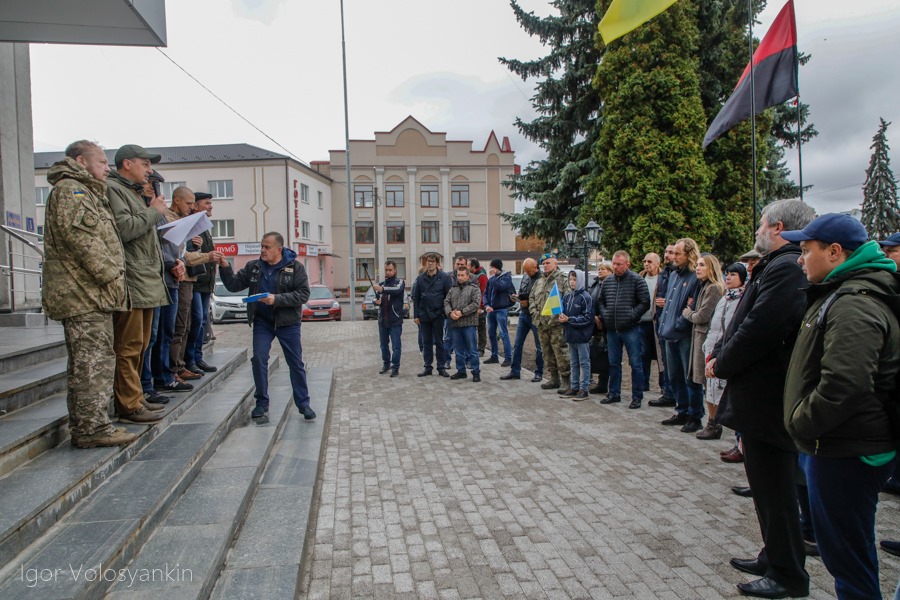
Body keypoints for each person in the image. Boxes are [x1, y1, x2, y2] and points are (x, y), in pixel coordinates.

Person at [781, 214, 899, 600]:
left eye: (806, 250)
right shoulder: (844, 291)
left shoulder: (855, 302)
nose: (800, 259)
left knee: (847, 556)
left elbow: (845, 385)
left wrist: (801, 422)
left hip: (846, 446)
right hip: (843, 442)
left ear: (834, 252)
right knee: (848, 550)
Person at [707, 199, 816, 599]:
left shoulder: (786, 268)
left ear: (778, 227)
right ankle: (774, 554)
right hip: (761, 395)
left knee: (776, 489)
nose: (756, 232)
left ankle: (788, 575)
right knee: (768, 487)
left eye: (760, 225)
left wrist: (722, 362)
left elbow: (760, 327)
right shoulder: (780, 264)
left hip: (769, 397)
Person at [41, 140, 135, 448]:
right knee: (91, 363)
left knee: (93, 361)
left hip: (90, 293)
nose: (107, 168)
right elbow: (83, 242)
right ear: (81, 161)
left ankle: (91, 424)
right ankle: (91, 430)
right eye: (101, 162)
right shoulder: (72, 191)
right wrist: (112, 276)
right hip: (82, 294)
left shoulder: (88, 192)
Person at [218, 232, 315, 422]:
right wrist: (225, 267)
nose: (262, 250)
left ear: (279, 249)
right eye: (261, 246)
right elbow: (233, 285)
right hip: (263, 322)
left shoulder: (295, 268)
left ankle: (303, 404)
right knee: (259, 359)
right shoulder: (254, 267)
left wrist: (276, 299)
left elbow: (303, 295)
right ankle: (261, 403)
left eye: (267, 247)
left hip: (288, 323)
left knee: (295, 363)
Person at [106, 144, 170, 425]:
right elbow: (125, 229)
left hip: (147, 281)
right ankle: (129, 405)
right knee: (129, 345)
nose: (149, 170)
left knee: (142, 344)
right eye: (145, 164)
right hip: (133, 281)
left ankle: (136, 397)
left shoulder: (132, 192)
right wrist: (155, 211)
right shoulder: (114, 189)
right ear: (127, 164)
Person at [657, 238, 702, 431]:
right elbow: (669, 303)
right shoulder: (674, 275)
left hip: (683, 334)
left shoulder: (695, 277)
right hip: (668, 332)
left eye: (678, 253)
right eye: (673, 253)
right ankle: (681, 410)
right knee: (674, 375)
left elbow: (691, 306)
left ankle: (695, 415)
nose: (673, 257)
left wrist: (677, 324)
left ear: (689, 254)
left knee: (689, 376)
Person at [698, 263, 746, 441]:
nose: (729, 278)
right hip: (712, 346)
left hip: (726, 349)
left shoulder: (742, 299)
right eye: (727, 274)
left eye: (733, 275)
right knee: (709, 387)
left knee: (724, 388)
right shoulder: (724, 298)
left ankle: (737, 436)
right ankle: (712, 422)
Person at [597, 251, 651, 409]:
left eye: (619, 264)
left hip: (631, 328)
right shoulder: (608, 282)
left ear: (627, 264)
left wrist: (632, 316)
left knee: (636, 363)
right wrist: (605, 314)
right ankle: (614, 393)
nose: (615, 267)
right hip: (612, 329)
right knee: (613, 363)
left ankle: (637, 396)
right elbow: (601, 301)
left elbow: (644, 302)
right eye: (614, 263)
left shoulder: (637, 280)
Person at [681, 254, 725, 435]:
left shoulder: (714, 288)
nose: (697, 268)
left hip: (706, 337)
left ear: (711, 268)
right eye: (697, 265)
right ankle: (700, 417)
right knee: (695, 378)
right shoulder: (704, 286)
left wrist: (688, 313)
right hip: (699, 336)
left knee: (703, 381)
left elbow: (702, 316)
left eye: (701, 265)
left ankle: (708, 421)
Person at [185, 192, 219, 374]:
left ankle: (197, 357)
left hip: (206, 282)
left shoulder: (204, 226)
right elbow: (183, 251)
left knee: (203, 319)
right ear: (195, 206)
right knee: (196, 320)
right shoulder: (189, 225)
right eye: (206, 203)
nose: (210, 206)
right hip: (195, 281)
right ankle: (190, 359)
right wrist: (193, 246)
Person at [529, 253, 571, 392]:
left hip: (557, 325)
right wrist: (534, 313)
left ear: (555, 263)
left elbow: (568, 298)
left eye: (548, 263)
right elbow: (532, 298)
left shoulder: (563, 279)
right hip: (541, 324)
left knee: (560, 352)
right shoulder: (539, 281)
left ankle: (566, 380)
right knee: (546, 353)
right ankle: (554, 379)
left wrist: (559, 316)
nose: (545, 265)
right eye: (544, 263)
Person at [501, 257, 544, 382]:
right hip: (524, 314)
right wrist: (518, 298)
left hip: (535, 315)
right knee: (518, 343)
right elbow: (524, 291)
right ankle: (515, 371)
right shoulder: (525, 277)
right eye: (525, 271)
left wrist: (528, 302)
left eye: (529, 271)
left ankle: (539, 372)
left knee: (539, 346)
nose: (527, 274)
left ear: (536, 268)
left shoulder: (542, 279)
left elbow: (540, 298)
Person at [411, 253, 452, 377]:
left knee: (439, 342)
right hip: (424, 314)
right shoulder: (420, 278)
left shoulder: (444, 278)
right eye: (428, 261)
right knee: (426, 342)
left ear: (437, 264)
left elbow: (449, 296)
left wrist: (446, 313)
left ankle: (441, 367)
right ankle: (428, 367)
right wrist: (416, 315)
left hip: (438, 314)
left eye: (432, 262)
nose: (430, 263)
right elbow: (416, 297)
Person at [649, 245, 677, 407]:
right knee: (665, 361)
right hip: (661, 321)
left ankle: (676, 396)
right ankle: (668, 393)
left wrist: (668, 303)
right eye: (666, 252)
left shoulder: (679, 274)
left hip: (674, 324)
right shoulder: (665, 273)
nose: (667, 255)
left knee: (674, 363)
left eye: (671, 253)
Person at [558, 269, 594, 401]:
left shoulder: (585, 297)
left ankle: (584, 388)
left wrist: (570, 320)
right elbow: (564, 313)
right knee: (573, 362)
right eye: (571, 279)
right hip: (570, 334)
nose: (572, 282)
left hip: (582, 335)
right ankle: (574, 386)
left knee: (584, 362)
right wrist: (562, 318)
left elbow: (587, 317)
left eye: (575, 279)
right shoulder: (567, 297)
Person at [444, 266, 481, 382]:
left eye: (462, 275)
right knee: (458, 350)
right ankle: (461, 371)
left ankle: (476, 372)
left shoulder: (474, 288)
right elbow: (446, 302)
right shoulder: (453, 289)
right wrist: (450, 313)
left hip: (469, 324)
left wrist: (462, 312)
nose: (460, 278)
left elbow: (475, 304)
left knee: (472, 350)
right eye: (458, 275)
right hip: (455, 324)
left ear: (467, 276)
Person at [374, 260, 406, 377]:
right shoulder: (382, 284)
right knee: (383, 345)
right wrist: (376, 301)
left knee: (396, 346)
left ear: (395, 270)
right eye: (386, 270)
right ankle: (386, 364)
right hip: (383, 320)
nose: (388, 272)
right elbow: (377, 299)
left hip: (395, 320)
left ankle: (395, 367)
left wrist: (382, 289)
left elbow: (396, 291)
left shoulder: (400, 282)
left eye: (390, 270)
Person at [483, 258, 515, 366]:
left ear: (497, 268)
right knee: (491, 334)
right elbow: (486, 293)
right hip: (491, 310)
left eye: (492, 267)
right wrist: (486, 305)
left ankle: (508, 358)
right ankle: (494, 356)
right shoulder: (491, 279)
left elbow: (499, 287)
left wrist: (494, 277)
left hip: (501, 309)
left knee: (503, 334)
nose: (491, 269)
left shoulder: (506, 277)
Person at [588, 261, 613, 394]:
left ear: (610, 271)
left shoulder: (611, 284)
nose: (600, 271)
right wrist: (594, 317)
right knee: (596, 352)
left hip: (607, 324)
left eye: (603, 269)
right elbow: (591, 302)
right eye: (599, 268)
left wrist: (602, 319)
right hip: (595, 323)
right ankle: (599, 382)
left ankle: (605, 383)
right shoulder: (596, 284)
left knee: (606, 354)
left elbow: (608, 303)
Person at [639, 253, 662, 394]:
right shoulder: (640, 277)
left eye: (650, 261)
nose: (646, 264)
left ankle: (663, 385)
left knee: (660, 355)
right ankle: (644, 383)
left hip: (657, 322)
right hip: (642, 322)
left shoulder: (663, 278)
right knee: (643, 354)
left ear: (658, 263)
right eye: (644, 261)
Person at [442, 256, 469, 370]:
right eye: (458, 264)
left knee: (467, 338)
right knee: (448, 338)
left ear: (466, 265)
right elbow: (445, 296)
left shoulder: (471, 277)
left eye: (462, 264)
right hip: (450, 314)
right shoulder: (447, 277)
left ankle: (468, 361)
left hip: (465, 314)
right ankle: (447, 361)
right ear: (454, 264)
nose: (459, 266)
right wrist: (449, 311)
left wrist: (462, 311)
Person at [469, 259, 489, 356]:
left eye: (469, 266)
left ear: (473, 267)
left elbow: (483, 292)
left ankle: (481, 349)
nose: (467, 268)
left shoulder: (482, 276)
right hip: (473, 307)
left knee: (481, 328)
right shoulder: (473, 276)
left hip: (480, 308)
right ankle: (473, 348)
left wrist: (481, 306)